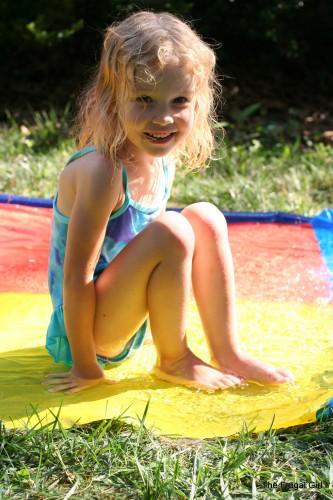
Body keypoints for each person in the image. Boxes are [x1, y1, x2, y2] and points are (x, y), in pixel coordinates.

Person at [43, 11, 294, 394]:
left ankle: (227, 351)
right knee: (175, 228)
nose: (163, 118)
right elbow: (76, 277)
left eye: (178, 100)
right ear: (113, 101)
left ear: (198, 104)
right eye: (144, 99)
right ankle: (174, 359)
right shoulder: (103, 173)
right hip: (87, 332)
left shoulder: (161, 158)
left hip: (123, 315)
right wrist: (85, 368)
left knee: (204, 216)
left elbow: (155, 259)